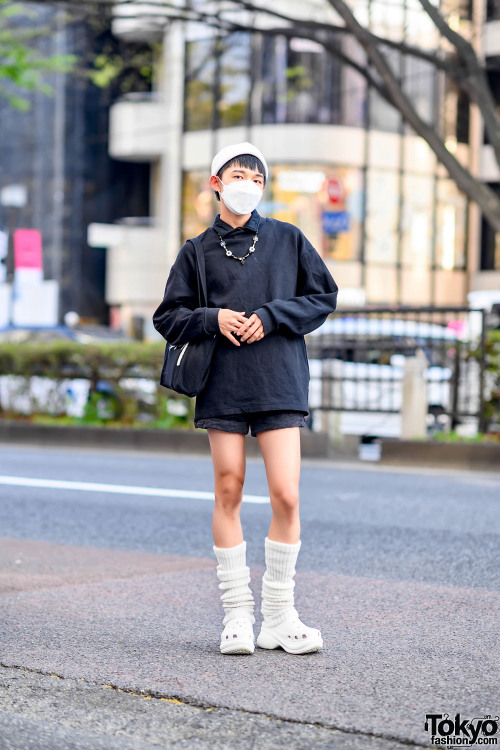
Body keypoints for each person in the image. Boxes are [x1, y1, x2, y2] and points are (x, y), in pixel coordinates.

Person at [152, 142, 339, 655]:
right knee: (229, 489)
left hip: (278, 377)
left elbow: (324, 296)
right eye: (238, 176)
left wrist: (272, 315)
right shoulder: (196, 251)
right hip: (223, 381)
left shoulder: (288, 238)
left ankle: (280, 616)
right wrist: (213, 318)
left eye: (257, 179)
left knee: (287, 493)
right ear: (216, 183)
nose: (248, 185)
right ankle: (237, 615)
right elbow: (167, 316)